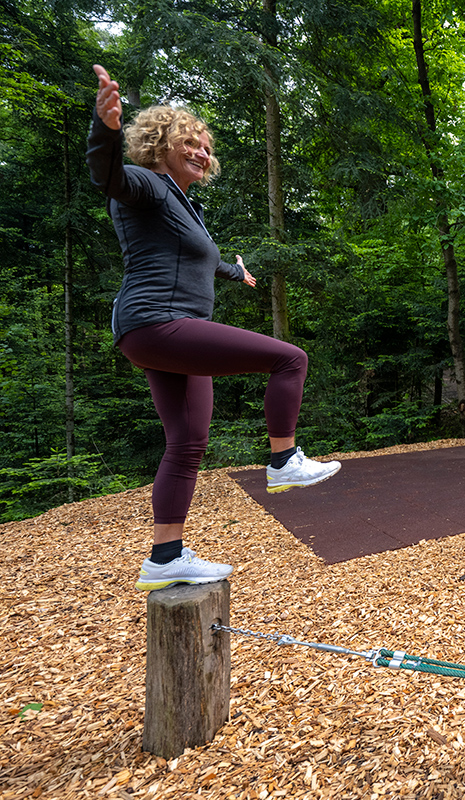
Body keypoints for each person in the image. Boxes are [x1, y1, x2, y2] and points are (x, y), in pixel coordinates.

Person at [87, 65, 341, 592]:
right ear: (159, 145)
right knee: (289, 358)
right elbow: (108, 175)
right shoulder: (148, 186)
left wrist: (233, 270)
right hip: (158, 322)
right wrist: (105, 130)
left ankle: (165, 556)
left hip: (159, 332)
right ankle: (283, 460)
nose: (203, 152)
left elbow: (199, 256)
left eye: (206, 146)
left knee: (186, 441)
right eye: (190, 143)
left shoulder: (182, 204)